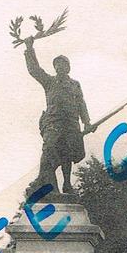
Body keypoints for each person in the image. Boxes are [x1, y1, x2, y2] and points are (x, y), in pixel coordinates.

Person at [24, 36, 96, 194]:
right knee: (49, 149)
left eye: (62, 64)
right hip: (53, 123)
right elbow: (34, 70)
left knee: (67, 154)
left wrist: (87, 122)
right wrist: (29, 49)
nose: (59, 66)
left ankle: (67, 184)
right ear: (54, 67)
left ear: (68, 67)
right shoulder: (49, 82)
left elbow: (81, 104)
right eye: (56, 64)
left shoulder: (74, 84)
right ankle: (48, 183)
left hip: (71, 123)